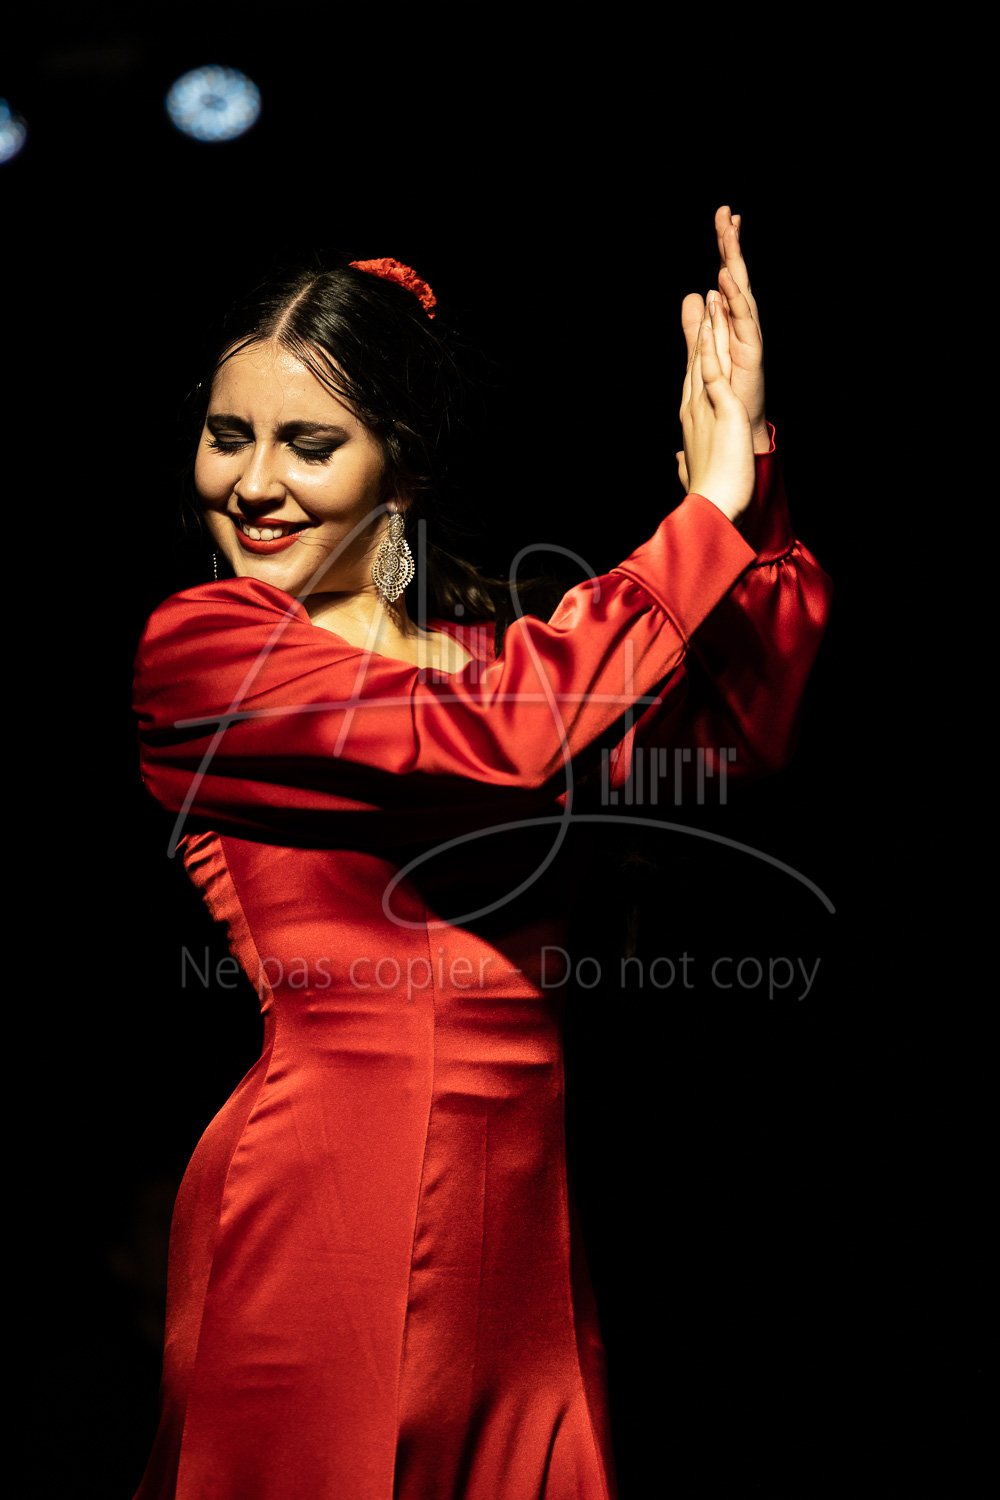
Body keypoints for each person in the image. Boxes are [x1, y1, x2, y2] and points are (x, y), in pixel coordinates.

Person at [130, 208, 833, 1499]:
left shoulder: (502, 660)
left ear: (400, 469)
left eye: (309, 445)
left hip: (519, 1214)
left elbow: (736, 735)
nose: (253, 483)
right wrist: (703, 519)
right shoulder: (204, 650)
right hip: (321, 1191)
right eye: (228, 436)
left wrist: (747, 479)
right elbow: (486, 745)